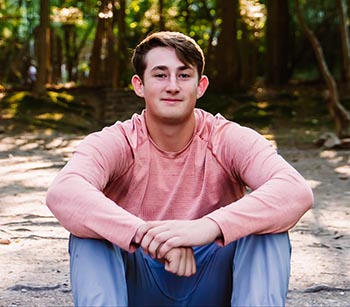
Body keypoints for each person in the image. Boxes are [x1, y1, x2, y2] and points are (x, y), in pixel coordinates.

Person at [46, 31, 314, 307]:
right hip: (138, 284)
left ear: (201, 86)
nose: (172, 86)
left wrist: (207, 227)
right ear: (139, 85)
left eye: (184, 75)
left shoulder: (226, 138)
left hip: (213, 280)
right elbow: (64, 192)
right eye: (160, 75)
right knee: (91, 234)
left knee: (267, 228)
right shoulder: (119, 140)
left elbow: (294, 190)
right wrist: (146, 235)